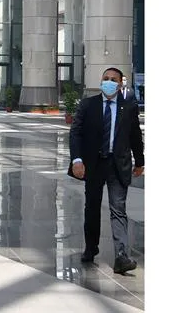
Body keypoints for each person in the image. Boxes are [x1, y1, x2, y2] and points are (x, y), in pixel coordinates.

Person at [68, 67, 144, 274]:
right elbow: (75, 133)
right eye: (105, 78)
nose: (108, 82)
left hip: (118, 164)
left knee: (118, 209)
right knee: (92, 208)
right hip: (94, 164)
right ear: (101, 81)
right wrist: (77, 160)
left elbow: (135, 135)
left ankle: (121, 255)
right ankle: (91, 248)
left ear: (120, 85)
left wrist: (140, 161)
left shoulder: (128, 107)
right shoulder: (88, 105)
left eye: (113, 79)